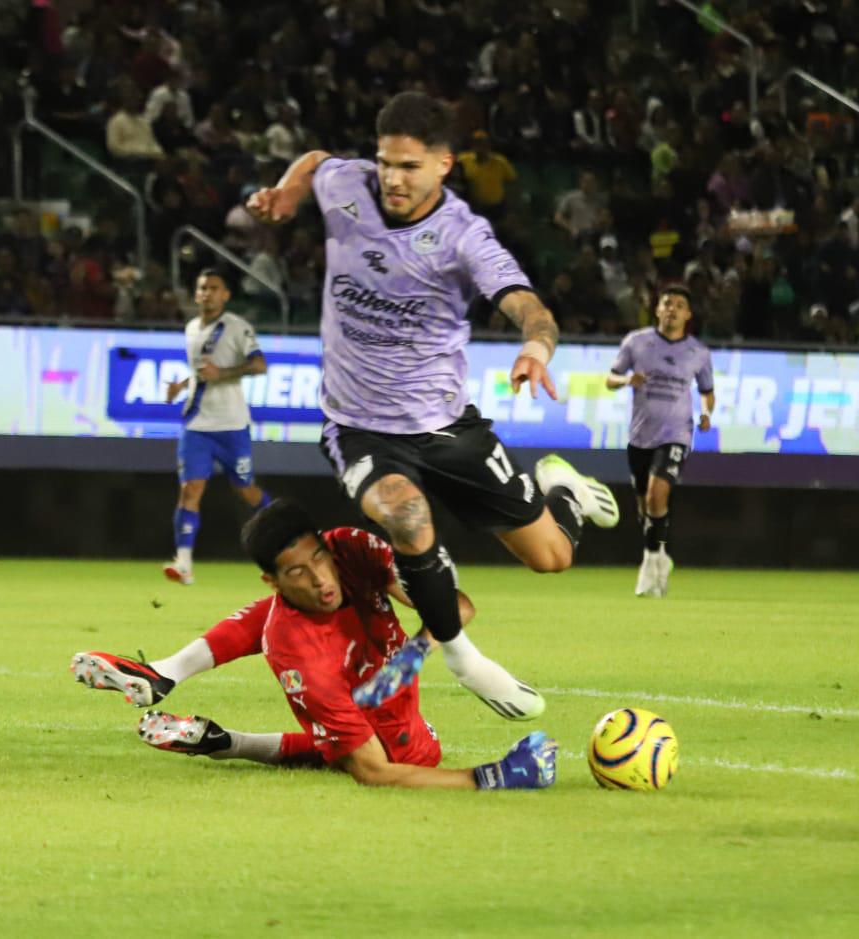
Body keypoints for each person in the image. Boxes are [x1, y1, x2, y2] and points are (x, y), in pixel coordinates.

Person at [245, 91, 618, 721]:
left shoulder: (464, 236)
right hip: (360, 426)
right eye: (386, 161)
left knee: (553, 559)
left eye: (409, 166)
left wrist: (536, 346)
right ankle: (463, 658)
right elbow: (315, 160)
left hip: (448, 427)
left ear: (445, 164)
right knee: (406, 515)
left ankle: (563, 490)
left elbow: (529, 304)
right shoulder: (347, 182)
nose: (392, 177)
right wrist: (286, 191)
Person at [71, 500, 557, 790]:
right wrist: (491, 776)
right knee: (398, 754)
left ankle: (172, 677)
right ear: (271, 577)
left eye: (319, 558)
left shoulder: (348, 547)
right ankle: (226, 739)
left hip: (372, 668)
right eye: (298, 571)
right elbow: (373, 772)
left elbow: (456, 604)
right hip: (386, 729)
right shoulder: (297, 657)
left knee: (294, 614)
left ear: (327, 544)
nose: (322, 578)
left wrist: (418, 649)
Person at [161, 268, 272, 585]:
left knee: (247, 491)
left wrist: (222, 373)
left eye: (213, 287)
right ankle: (183, 564)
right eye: (201, 287)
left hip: (232, 424)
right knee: (189, 490)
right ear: (195, 294)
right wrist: (182, 385)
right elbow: (200, 371)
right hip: (197, 424)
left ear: (226, 295)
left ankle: (287, 542)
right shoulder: (192, 328)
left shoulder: (237, 328)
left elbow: (260, 364)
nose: (206, 293)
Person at [606, 285, 715, 598]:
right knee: (645, 506)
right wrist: (627, 380)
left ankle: (650, 562)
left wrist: (707, 413)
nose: (672, 309)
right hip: (640, 436)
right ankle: (659, 553)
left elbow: (707, 392)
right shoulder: (636, 342)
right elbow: (610, 378)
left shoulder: (698, 352)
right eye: (668, 303)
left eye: (680, 305)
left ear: (688, 314)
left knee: (658, 493)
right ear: (658, 309)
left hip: (676, 434)